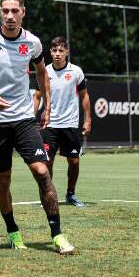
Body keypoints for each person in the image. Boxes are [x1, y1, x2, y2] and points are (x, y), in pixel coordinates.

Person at [0, 0, 74, 254]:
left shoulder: (33, 43)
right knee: (3, 181)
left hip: (24, 119)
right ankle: (13, 232)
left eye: (15, 11)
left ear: (23, 11)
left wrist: (47, 105)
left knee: (42, 172)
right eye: (5, 11)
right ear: (1, 12)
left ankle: (57, 235)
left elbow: (42, 72)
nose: (9, 16)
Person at [33, 36, 91, 207]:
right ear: (50, 52)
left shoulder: (76, 72)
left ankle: (71, 194)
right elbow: (37, 96)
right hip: (49, 125)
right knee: (46, 162)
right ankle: (47, 194)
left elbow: (84, 96)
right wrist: (31, 117)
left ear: (67, 52)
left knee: (74, 161)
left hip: (71, 125)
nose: (57, 54)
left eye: (61, 51)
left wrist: (88, 119)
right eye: (54, 51)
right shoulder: (44, 72)